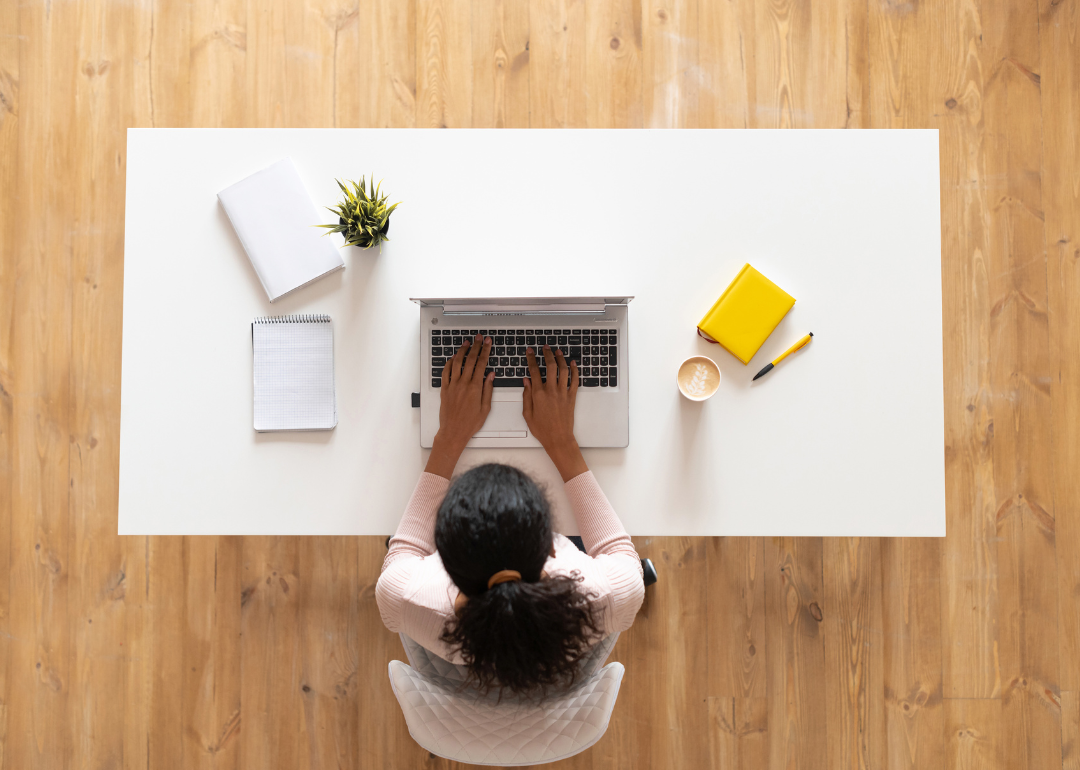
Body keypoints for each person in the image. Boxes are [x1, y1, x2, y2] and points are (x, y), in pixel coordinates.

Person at [376, 334, 646, 697]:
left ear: (441, 560)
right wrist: (561, 442)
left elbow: (404, 551)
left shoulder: (404, 596)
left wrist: (449, 437)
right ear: (553, 549)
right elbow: (620, 553)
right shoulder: (610, 596)